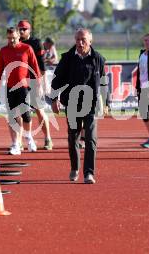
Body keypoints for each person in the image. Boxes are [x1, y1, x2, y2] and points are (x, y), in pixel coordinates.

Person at [51, 28, 108, 184]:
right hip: (72, 102)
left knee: (91, 139)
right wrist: (54, 99)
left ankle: (89, 173)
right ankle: (75, 168)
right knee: (73, 137)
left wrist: (107, 101)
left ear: (90, 41)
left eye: (83, 39)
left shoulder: (98, 59)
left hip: (91, 104)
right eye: (77, 39)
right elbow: (57, 80)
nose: (80, 42)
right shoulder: (68, 58)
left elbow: (103, 82)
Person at [0, 27, 42, 155]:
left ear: (18, 37)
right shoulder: (4, 51)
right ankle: (15, 144)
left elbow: (35, 68)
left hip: (24, 87)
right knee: (12, 117)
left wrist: (38, 85)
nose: (11, 41)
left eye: (13, 38)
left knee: (26, 115)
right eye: (9, 38)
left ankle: (29, 138)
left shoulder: (26, 49)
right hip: (10, 88)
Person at [18, 20, 53, 150]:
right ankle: (19, 141)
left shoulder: (36, 43)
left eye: (24, 29)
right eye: (20, 29)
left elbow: (42, 65)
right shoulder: (15, 42)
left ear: (29, 30)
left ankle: (48, 138)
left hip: (34, 80)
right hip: (21, 81)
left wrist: (42, 83)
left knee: (39, 110)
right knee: (21, 112)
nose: (21, 31)